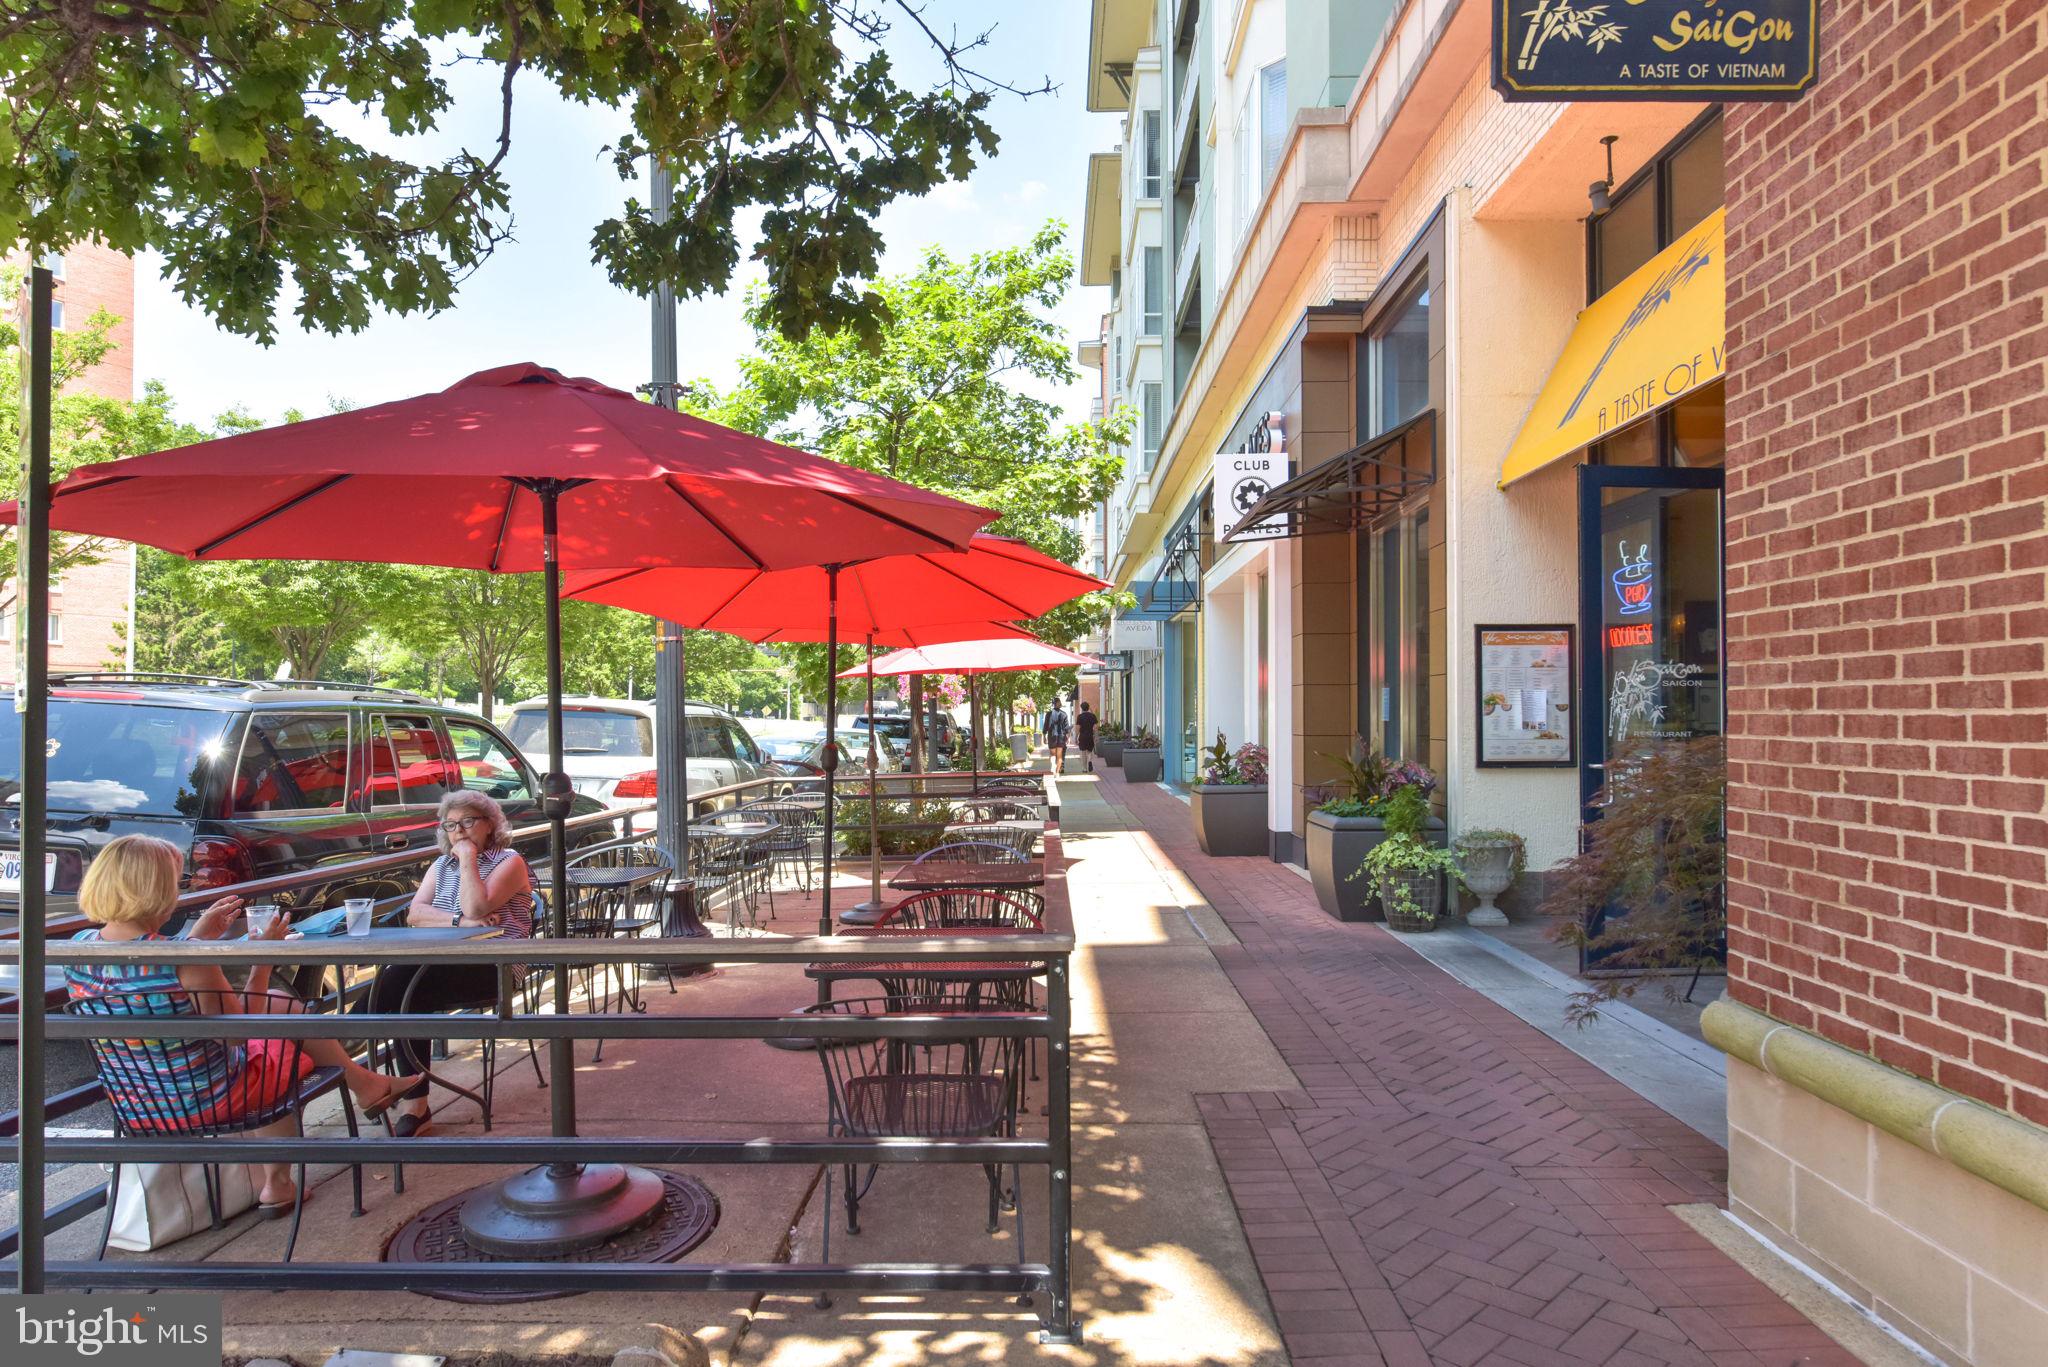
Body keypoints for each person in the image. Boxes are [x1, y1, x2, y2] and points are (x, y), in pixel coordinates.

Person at [66, 835, 419, 1217]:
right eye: (175, 880)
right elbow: (239, 1029)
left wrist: (195, 940)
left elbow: (147, 979)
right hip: (208, 1098)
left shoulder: (79, 947)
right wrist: (263, 958)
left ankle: (367, 1087)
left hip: (137, 1102)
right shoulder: (186, 960)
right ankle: (278, 1183)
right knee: (284, 1043)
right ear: (154, 888)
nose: (179, 888)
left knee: (283, 1018)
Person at [374, 791, 534, 1138]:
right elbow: (416, 914)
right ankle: (412, 1102)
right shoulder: (439, 865)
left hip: (495, 967)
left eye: (467, 822)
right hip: (436, 965)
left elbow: (478, 907)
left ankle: (340, 1060)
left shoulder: (510, 860)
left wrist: (467, 860)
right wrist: (459, 923)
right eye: (450, 825)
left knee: (403, 983)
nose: (458, 831)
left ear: (490, 825)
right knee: (406, 988)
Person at [1042, 697, 1071, 773]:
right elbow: (1066, 727)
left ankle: (1053, 766)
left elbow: (1045, 725)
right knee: (1059, 755)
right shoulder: (1064, 714)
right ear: (1058, 703)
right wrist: (1068, 737)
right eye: (1060, 702)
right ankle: (1057, 773)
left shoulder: (1049, 714)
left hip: (1052, 736)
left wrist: (1044, 735)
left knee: (1052, 754)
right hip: (1061, 736)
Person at [1075, 701, 1098, 772]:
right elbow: (1095, 727)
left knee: (1083, 752)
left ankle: (1084, 768)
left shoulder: (1080, 716)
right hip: (1090, 735)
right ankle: (1090, 761)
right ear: (1088, 708)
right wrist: (1096, 736)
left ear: (1081, 708)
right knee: (1090, 751)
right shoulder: (1093, 716)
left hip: (1082, 736)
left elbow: (1078, 728)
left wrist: (1076, 737)